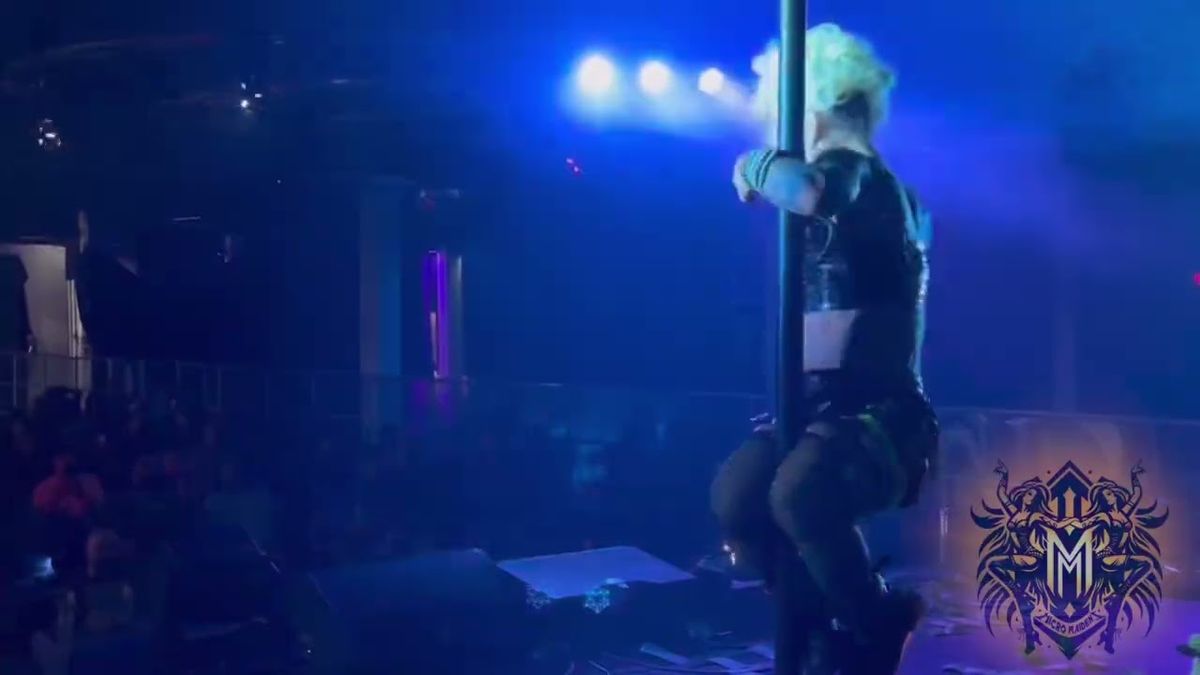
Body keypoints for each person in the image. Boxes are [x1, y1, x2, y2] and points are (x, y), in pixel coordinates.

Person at [712, 23, 938, 674]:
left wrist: (752, 165)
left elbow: (811, 190)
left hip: (875, 411)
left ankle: (875, 619)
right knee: (737, 496)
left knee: (799, 492)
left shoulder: (854, 169)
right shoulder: (856, 181)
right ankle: (820, 622)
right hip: (814, 406)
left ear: (817, 102)